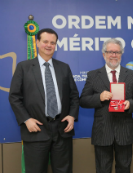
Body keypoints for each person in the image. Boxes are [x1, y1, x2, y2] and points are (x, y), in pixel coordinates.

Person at [9, 28, 79, 173]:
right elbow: (14, 97)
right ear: (37, 42)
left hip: (62, 129)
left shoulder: (64, 68)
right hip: (36, 130)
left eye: (52, 43)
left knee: (64, 170)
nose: (49, 45)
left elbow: (74, 96)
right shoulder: (24, 67)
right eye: (45, 41)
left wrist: (72, 115)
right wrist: (26, 119)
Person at [79, 38, 133, 173]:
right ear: (104, 54)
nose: (114, 55)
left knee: (124, 169)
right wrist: (99, 97)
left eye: (117, 52)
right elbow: (83, 100)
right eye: (110, 52)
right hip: (102, 132)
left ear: (121, 54)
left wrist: (130, 104)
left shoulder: (132, 75)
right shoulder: (93, 75)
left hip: (124, 132)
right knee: (102, 169)